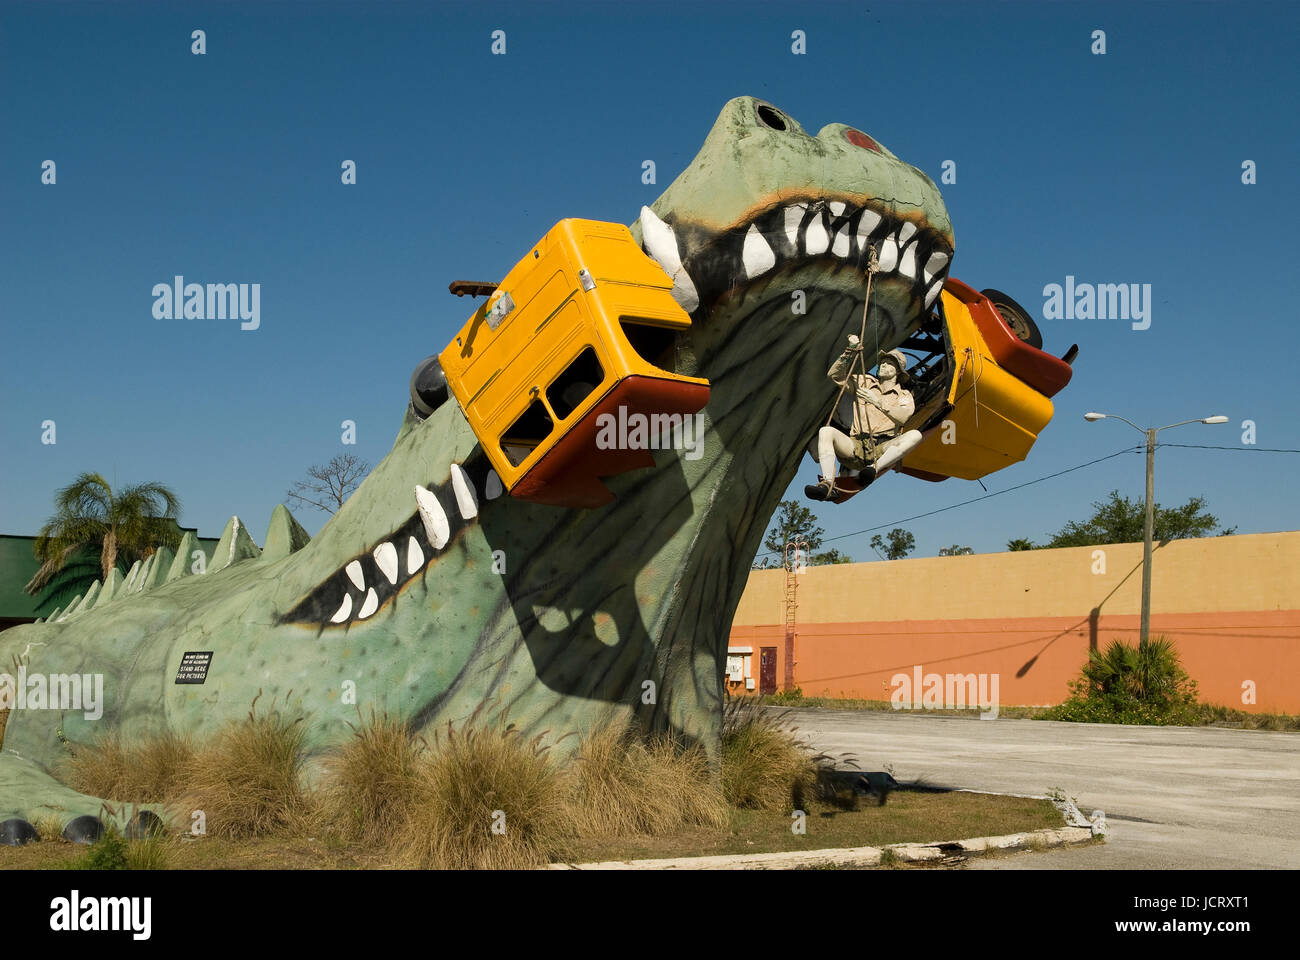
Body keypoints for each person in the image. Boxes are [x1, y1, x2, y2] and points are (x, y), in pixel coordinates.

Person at [805, 338, 916, 502]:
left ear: (898, 372)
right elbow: (835, 375)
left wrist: (877, 402)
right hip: (855, 446)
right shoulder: (865, 382)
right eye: (882, 362)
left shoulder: (904, 396)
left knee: (915, 435)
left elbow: (903, 418)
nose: (883, 365)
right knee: (826, 431)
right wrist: (850, 350)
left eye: (889, 363)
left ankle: (872, 470)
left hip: (881, 449)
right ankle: (828, 485)